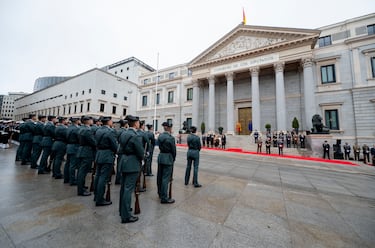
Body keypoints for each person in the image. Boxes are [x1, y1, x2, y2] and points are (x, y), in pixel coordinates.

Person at [118, 115, 144, 223]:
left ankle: (123, 210)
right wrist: (143, 158)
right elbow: (140, 152)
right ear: (136, 123)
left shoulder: (124, 133)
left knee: (124, 188)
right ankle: (126, 216)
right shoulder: (135, 135)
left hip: (124, 161)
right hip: (132, 163)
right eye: (138, 122)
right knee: (128, 189)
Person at [93, 116, 118, 206]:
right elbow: (114, 145)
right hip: (107, 155)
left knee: (98, 175)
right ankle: (100, 199)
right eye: (111, 121)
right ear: (108, 122)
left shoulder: (98, 130)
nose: (112, 122)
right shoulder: (110, 132)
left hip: (99, 154)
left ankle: (96, 195)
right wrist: (116, 151)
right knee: (103, 178)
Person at [157, 121, 176, 204]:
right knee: (165, 178)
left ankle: (160, 193)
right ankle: (164, 198)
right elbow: (173, 151)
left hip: (161, 156)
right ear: (169, 128)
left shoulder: (160, 136)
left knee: (160, 177)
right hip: (168, 158)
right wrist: (173, 159)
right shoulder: (171, 138)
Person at [76, 116, 96, 196]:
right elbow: (92, 141)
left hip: (81, 150)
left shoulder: (81, 128)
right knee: (82, 171)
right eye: (91, 120)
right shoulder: (87, 130)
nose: (92, 121)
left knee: (81, 171)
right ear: (87, 121)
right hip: (87, 151)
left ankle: (81, 186)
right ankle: (81, 190)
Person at [65, 117, 81, 185]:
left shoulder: (69, 127)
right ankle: (72, 180)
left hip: (69, 146)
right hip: (75, 147)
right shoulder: (76, 129)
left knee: (68, 163)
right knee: (73, 165)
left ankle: (66, 178)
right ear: (77, 121)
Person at [115, 119, 128, 185]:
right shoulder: (125, 131)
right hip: (123, 150)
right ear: (125, 124)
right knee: (121, 165)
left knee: (118, 165)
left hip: (119, 149)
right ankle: (119, 179)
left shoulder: (118, 131)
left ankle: (118, 178)